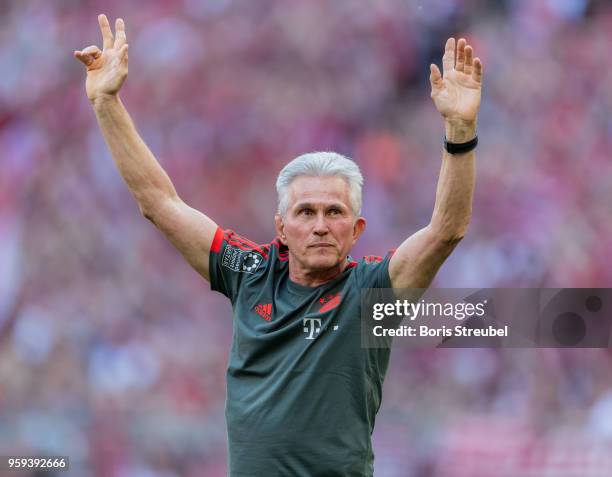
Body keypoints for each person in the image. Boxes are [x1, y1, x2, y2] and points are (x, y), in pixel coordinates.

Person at [74, 14, 483, 476]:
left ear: (358, 229)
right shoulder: (248, 272)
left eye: (335, 213)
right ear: (281, 228)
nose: (321, 225)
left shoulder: (372, 293)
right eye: (306, 212)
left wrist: (461, 131)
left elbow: (446, 230)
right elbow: (159, 202)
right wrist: (107, 101)